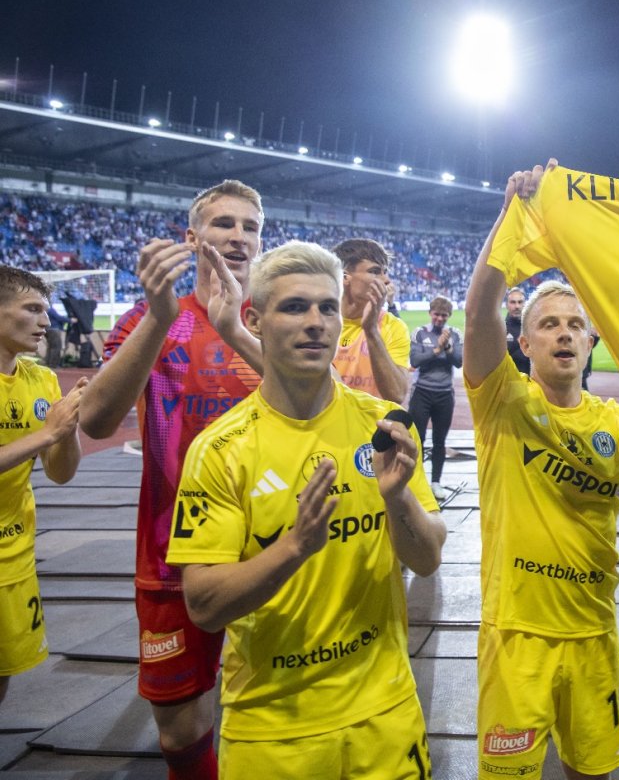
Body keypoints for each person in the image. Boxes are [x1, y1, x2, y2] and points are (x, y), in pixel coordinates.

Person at [166, 240, 445, 779]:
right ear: (254, 320)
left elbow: (428, 559)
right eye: (295, 307)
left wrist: (397, 499)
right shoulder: (220, 450)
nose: (315, 322)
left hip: (386, 713)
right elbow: (203, 605)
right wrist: (293, 549)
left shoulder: (383, 426)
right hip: (272, 728)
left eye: (327, 308)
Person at [464, 162, 619, 780]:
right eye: (549, 325)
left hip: (594, 632)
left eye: (576, 326)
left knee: (592, 772)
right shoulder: (502, 400)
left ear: (592, 343)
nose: (564, 334)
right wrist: (508, 218)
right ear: (525, 345)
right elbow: (480, 315)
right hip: (516, 636)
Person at [81, 179, 266, 780]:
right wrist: (160, 317)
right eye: (223, 224)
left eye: (250, 227)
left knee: (280, 710)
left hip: (271, 545)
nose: (237, 236)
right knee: (181, 731)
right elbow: (96, 420)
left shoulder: (277, 319)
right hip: (173, 551)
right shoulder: (149, 318)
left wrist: (241, 331)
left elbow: (322, 403)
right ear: (192, 237)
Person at [0, 267, 87, 706]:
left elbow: (60, 473)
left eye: (45, 310)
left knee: (3, 674)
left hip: (14, 554)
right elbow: (43, 440)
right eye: (32, 309)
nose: (46, 321)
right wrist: (48, 433)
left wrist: (67, 429)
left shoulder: (42, 380)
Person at [331, 238, 410, 403]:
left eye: (385, 271)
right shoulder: (321, 323)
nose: (386, 280)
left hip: (373, 420)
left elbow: (397, 394)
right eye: (375, 271)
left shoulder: (393, 326)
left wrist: (371, 330)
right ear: (344, 277)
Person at [409, 294, 463, 486]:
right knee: (417, 440)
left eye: (444, 315)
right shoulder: (419, 332)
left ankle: (436, 483)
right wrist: (437, 350)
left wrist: (447, 347)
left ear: (449, 315)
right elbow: (415, 361)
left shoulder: (454, 334)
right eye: (436, 314)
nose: (440, 318)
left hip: (444, 394)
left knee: (440, 441)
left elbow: (459, 361)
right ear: (430, 313)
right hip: (421, 392)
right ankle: (417, 482)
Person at [504, 287, 531, 375]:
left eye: (520, 302)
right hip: (510, 380)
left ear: (525, 304)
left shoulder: (532, 327)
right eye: (513, 302)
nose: (517, 306)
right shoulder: (501, 330)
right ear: (507, 305)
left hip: (531, 381)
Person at [43, 302, 67, 369]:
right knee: (56, 347)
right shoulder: (50, 310)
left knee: (50, 347)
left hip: (48, 329)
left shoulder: (45, 310)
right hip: (54, 330)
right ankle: (53, 364)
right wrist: (70, 320)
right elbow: (58, 317)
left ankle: (48, 363)